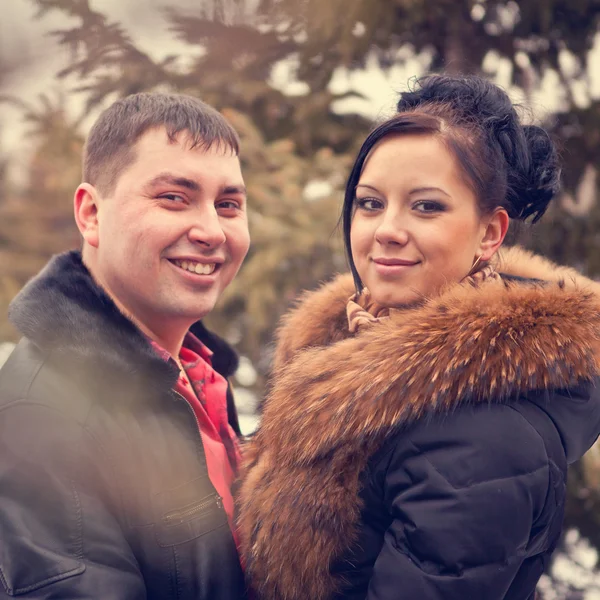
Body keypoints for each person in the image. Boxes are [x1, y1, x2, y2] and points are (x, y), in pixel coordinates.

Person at [237, 74, 600, 600]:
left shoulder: (483, 437)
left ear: (489, 233)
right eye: (369, 203)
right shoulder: (344, 354)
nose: (387, 228)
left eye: (426, 206)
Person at [0, 93, 250, 599]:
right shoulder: (41, 416)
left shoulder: (199, 376)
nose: (210, 230)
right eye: (174, 198)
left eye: (228, 205)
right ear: (91, 214)